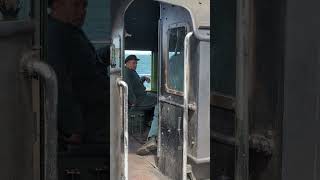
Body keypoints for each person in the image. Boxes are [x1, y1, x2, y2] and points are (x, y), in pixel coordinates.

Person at [47, 0, 109, 145]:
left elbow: (82, 65)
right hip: (86, 125)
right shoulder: (55, 34)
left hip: (93, 119)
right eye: (76, 5)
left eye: (84, 6)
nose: (82, 12)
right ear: (57, 4)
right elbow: (57, 80)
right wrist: (73, 127)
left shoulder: (69, 31)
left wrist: (107, 52)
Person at [123, 55, 159, 155]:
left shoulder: (132, 72)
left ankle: (150, 123)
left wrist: (143, 78)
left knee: (156, 96)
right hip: (139, 100)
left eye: (136, 63)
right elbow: (128, 88)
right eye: (133, 63)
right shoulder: (126, 72)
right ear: (127, 63)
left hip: (143, 96)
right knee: (159, 101)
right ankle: (152, 131)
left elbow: (136, 84)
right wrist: (133, 101)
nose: (135, 65)